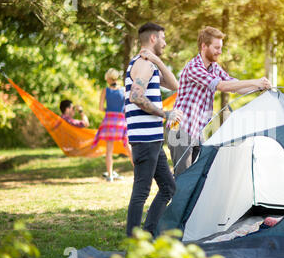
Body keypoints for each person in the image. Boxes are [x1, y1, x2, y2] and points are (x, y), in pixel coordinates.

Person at [164, 26, 272, 176]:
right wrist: (255, 81)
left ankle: (170, 197)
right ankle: (165, 199)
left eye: (220, 48)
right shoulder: (194, 68)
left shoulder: (214, 68)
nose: (219, 52)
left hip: (196, 131)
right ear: (203, 46)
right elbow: (221, 86)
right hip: (181, 128)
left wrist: (260, 88)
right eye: (216, 48)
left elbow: (234, 86)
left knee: (193, 179)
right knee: (183, 179)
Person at [125, 22, 183, 237]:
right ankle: (133, 242)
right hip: (145, 139)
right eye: (163, 38)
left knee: (168, 188)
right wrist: (165, 113)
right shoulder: (143, 65)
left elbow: (175, 85)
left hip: (153, 140)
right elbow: (136, 96)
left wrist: (157, 60)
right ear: (153, 39)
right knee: (141, 191)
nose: (165, 43)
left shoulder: (151, 65)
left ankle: (148, 234)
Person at [92, 68, 134, 182]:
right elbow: (127, 107)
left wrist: (108, 110)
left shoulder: (105, 91)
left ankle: (110, 176)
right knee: (128, 148)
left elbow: (101, 108)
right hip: (121, 121)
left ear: (109, 79)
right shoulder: (124, 90)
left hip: (109, 121)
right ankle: (138, 172)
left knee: (109, 150)